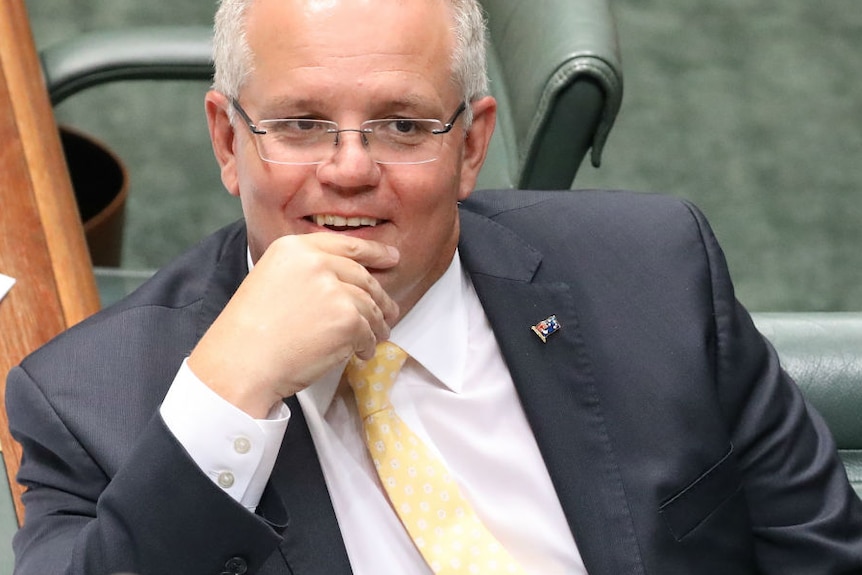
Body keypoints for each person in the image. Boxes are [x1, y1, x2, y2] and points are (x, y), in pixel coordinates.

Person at [6, 0, 862, 573]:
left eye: (402, 125)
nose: (349, 170)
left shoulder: (658, 270)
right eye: (302, 125)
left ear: (472, 143)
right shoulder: (87, 404)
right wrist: (229, 396)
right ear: (228, 141)